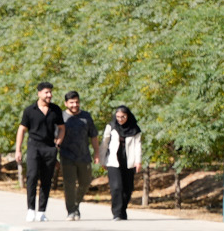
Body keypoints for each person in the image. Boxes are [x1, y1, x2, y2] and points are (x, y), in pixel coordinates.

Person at [14, 81, 66, 223]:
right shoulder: (29, 110)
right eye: (46, 92)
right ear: (39, 93)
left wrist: (58, 143)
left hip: (49, 148)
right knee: (31, 177)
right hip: (34, 147)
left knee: (46, 180)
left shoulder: (55, 110)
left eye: (50, 92)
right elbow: (21, 129)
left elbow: (62, 128)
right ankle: (31, 210)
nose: (50, 95)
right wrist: (18, 150)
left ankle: (41, 212)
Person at [58, 90, 97, 222]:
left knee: (85, 182)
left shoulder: (86, 116)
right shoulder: (61, 117)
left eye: (77, 102)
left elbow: (93, 135)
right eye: (71, 102)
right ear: (66, 103)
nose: (74, 105)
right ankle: (71, 211)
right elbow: (55, 136)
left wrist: (97, 153)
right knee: (69, 185)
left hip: (84, 155)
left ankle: (76, 204)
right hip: (66, 155)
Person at [99, 105, 143, 221]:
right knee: (116, 187)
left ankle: (123, 210)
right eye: (118, 116)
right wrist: (102, 159)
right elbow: (104, 143)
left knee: (128, 188)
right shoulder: (111, 126)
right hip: (113, 161)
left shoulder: (135, 129)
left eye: (123, 116)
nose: (120, 119)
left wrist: (138, 161)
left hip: (129, 161)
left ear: (128, 116)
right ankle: (117, 213)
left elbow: (138, 146)